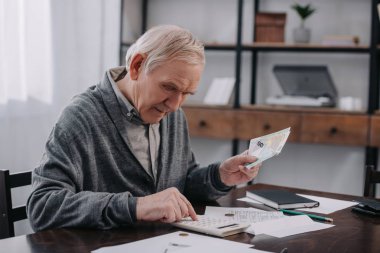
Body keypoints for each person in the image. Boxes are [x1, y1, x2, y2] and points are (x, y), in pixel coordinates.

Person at [27, 25, 261, 231]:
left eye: (186, 94)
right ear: (137, 66)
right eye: (169, 87)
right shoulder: (82, 117)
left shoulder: (172, 114)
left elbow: (181, 184)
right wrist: (136, 206)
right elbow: (43, 206)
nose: (175, 104)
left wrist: (219, 176)